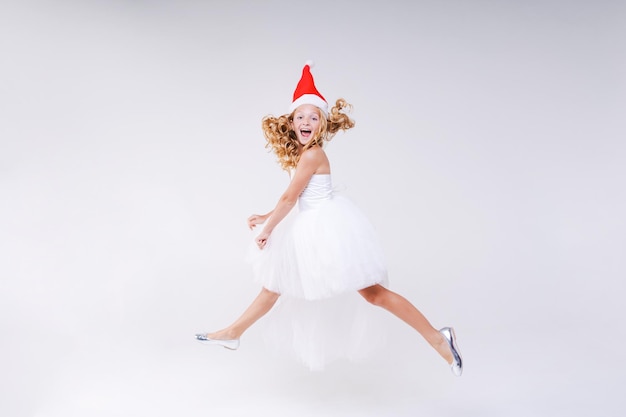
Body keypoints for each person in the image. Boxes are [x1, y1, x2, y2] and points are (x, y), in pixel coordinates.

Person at [196, 62, 463, 376]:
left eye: (313, 117)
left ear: (321, 124)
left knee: (373, 294)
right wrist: (268, 216)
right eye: (300, 116)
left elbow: (290, 198)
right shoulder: (306, 154)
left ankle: (436, 337)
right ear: (292, 123)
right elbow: (301, 195)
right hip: (315, 226)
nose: (306, 121)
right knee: (275, 286)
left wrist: (268, 228)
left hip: (328, 231)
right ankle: (234, 332)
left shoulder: (312, 154)